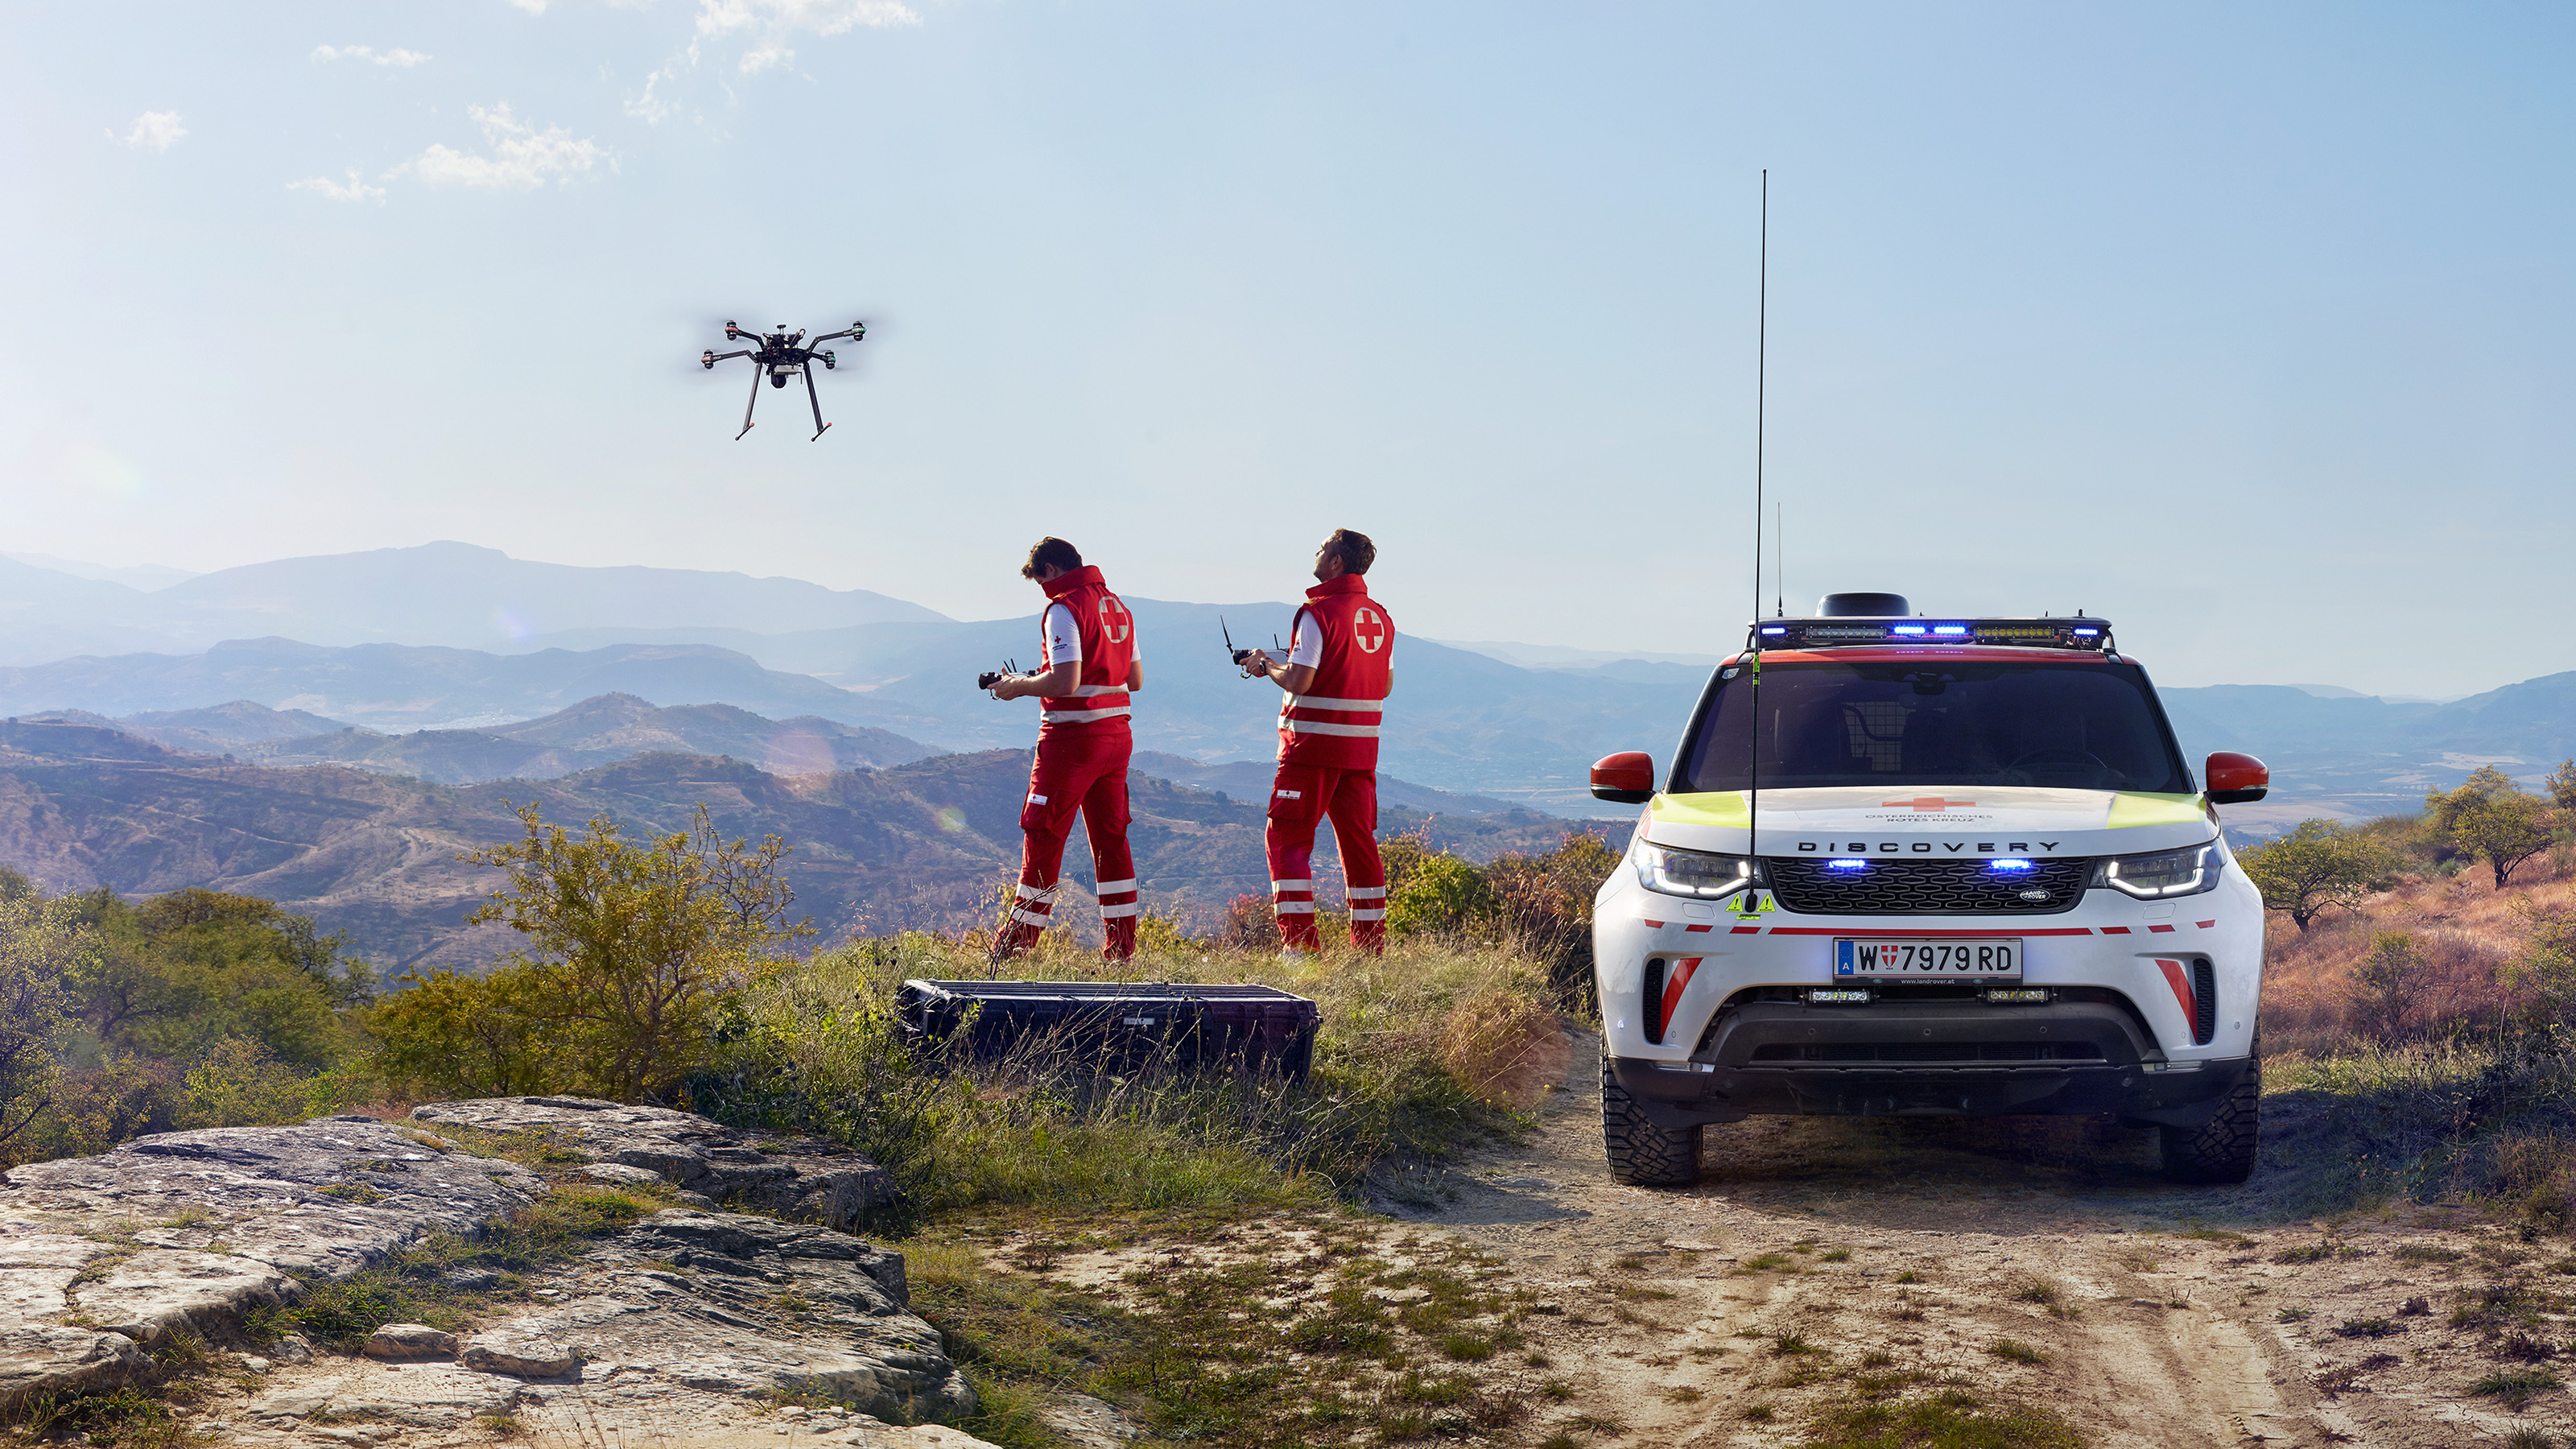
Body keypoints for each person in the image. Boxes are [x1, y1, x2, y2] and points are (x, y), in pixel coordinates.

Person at [985, 537, 1142, 960]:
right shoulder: (1116, 606)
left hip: (1071, 741)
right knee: (1112, 840)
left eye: (1040, 580)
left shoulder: (1063, 608)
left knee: (1044, 832)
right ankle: (1121, 948)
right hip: (1117, 738)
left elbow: (1066, 682)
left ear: (1051, 570)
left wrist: (1017, 686)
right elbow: (1135, 678)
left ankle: (1015, 947)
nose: (1042, 590)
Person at [1236, 528, 1391, 956]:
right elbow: (1386, 683)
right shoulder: (1380, 617)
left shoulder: (1315, 613)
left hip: (1310, 750)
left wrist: (1267, 665)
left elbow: (1300, 680)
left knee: (1285, 838)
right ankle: (1370, 949)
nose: (1317, 553)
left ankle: (1300, 949)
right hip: (1361, 753)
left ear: (1336, 562)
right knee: (1359, 844)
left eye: (1323, 548)